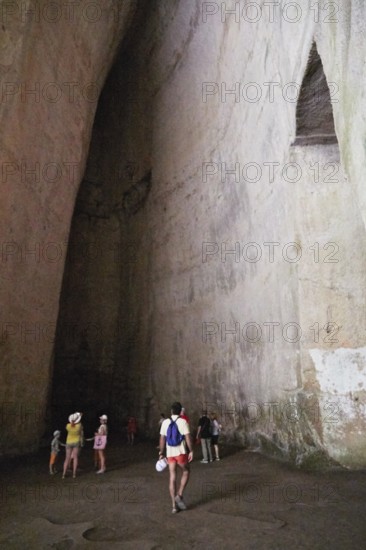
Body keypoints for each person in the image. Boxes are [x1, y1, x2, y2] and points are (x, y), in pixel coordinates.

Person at [159, 401, 193, 514]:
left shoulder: (165, 422)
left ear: (171, 411)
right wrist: (191, 450)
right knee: (186, 471)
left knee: (172, 477)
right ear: (180, 411)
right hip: (180, 453)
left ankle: (174, 506)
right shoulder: (183, 422)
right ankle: (179, 495)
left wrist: (161, 452)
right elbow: (188, 438)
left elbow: (162, 439)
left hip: (170, 454)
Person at [62, 412, 83, 479]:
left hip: (68, 442)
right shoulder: (79, 426)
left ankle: (63, 474)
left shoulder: (68, 426)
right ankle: (74, 474)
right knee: (75, 457)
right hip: (76, 442)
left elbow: (71, 424)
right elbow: (80, 427)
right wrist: (79, 416)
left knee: (67, 458)